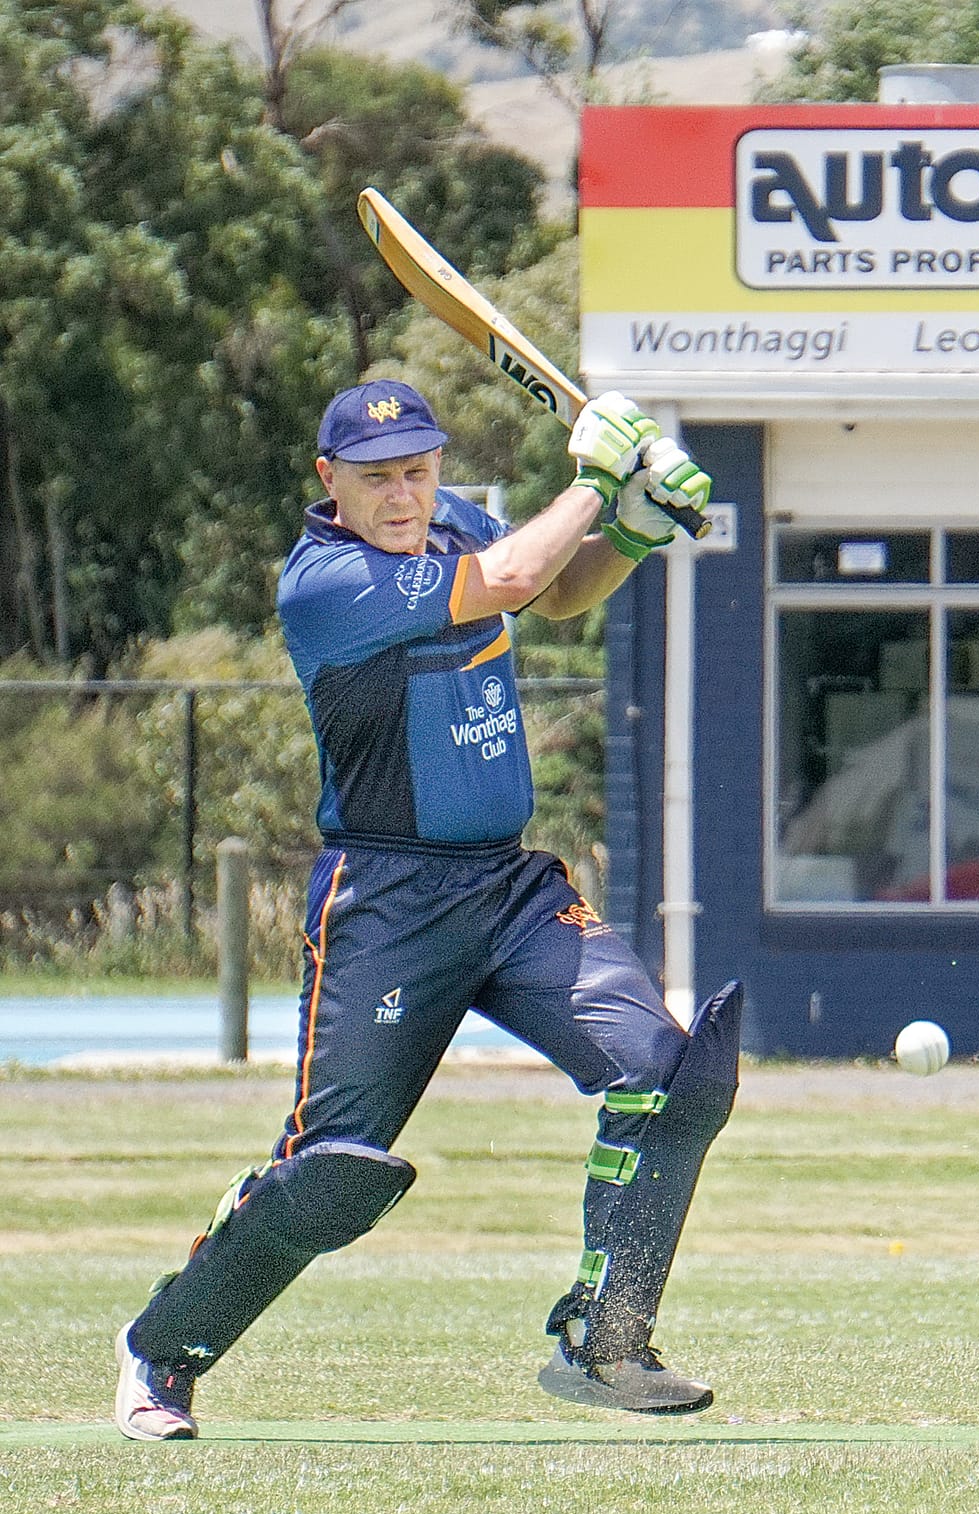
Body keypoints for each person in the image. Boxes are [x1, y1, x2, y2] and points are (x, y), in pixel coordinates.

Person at [114, 379, 741, 1440]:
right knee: (329, 1173)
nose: (403, 495)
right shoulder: (326, 582)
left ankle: (607, 1343)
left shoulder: (456, 521)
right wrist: (598, 476)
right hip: (387, 901)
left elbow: (552, 593)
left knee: (671, 1073)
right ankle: (160, 1352)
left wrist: (629, 532)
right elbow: (512, 575)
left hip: (507, 886)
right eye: (377, 478)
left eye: (417, 469)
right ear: (329, 483)